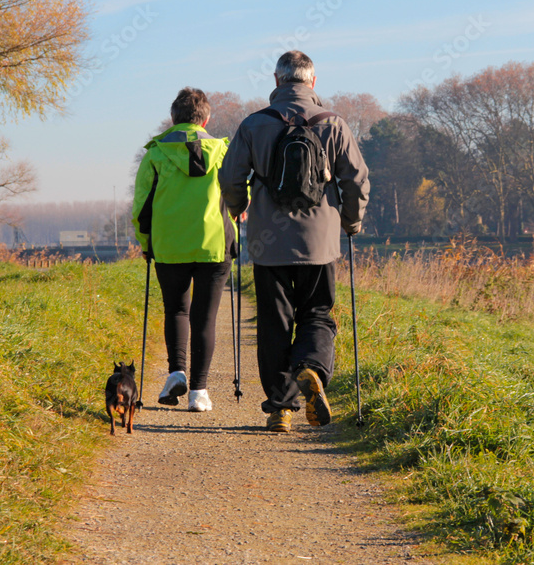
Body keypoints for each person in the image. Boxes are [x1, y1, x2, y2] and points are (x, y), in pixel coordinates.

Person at [219, 51, 369, 433]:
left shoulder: (254, 125)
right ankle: (311, 367)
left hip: (268, 244)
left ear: (276, 81)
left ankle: (280, 409)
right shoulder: (334, 124)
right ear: (313, 82)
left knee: (274, 322)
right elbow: (355, 180)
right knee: (317, 313)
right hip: (319, 243)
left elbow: (231, 177)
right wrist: (351, 222)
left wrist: (238, 207)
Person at [132, 87, 236, 412]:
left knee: (176, 310)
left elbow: (141, 208)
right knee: (205, 318)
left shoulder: (155, 154)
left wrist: (146, 244)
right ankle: (199, 393)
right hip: (214, 246)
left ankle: (176, 372)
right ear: (206, 119)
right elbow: (239, 196)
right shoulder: (223, 152)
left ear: (173, 118)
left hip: (169, 246)